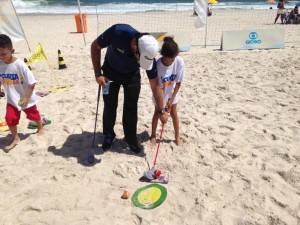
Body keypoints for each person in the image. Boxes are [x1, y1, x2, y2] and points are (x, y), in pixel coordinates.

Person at [91, 24, 168, 154]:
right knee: (110, 105)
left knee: (131, 107)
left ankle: (130, 137)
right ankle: (109, 134)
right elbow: (95, 46)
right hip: (110, 73)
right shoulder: (118, 32)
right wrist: (98, 74)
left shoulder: (149, 53)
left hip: (132, 76)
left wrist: (162, 109)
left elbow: (155, 85)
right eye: (141, 58)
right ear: (135, 46)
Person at [0, 34, 45, 152]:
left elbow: (32, 83)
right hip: (12, 99)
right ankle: (15, 137)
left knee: (33, 115)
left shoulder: (20, 65)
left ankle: (40, 127)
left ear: (12, 51)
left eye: (3, 54)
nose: (1, 57)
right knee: (9, 118)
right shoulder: (0, 65)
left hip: (26, 98)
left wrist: (25, 98)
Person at [150, 37, 184, 146]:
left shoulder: (179, 61)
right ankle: (153, 135)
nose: (169, 62)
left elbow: (178, 83)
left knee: (174, 113)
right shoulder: (157, 65)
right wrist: (163, 108)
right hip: (159, 93)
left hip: (172, 93)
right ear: (162, 56)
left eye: (171, 60)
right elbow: (158, 87)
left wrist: (171, 99)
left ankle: (177, 136)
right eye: (166, 60)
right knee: (157, 113)